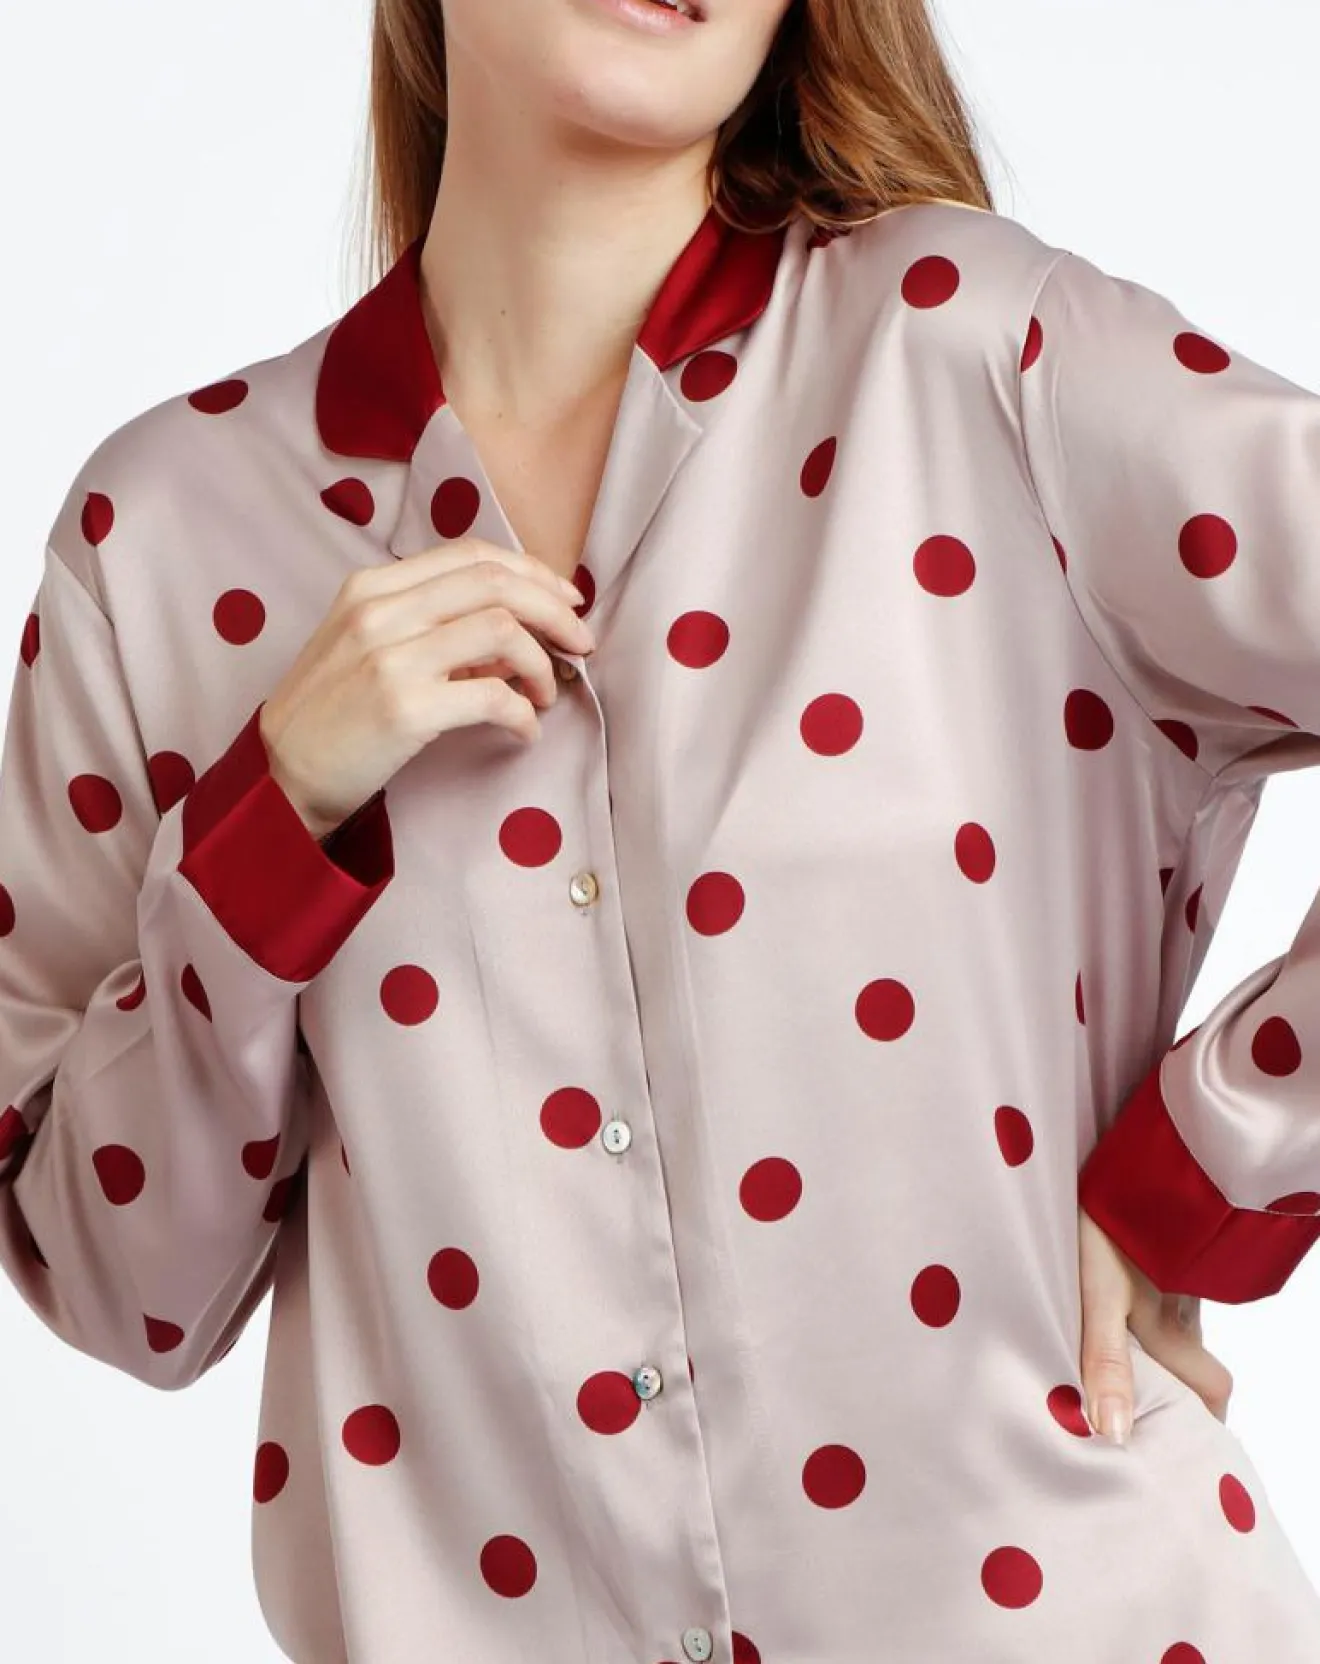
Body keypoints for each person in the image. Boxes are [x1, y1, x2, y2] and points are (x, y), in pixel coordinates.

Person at [3, 0, 1320, 1657]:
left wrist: (1206, 1166)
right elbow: (120, 1287)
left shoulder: (978, 354)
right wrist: (278, 812)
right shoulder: (163, 542)